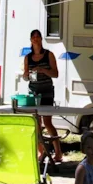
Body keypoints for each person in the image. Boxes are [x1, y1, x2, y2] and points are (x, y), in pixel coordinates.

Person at [25, 29, 63, 162]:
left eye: (38, 37)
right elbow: (26, 76)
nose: (35, 39)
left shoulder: (49, 55)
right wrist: (27, 75)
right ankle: (42, 152)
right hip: (34, 92)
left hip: (46, 91)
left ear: (41, 39)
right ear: (31, 40)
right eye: (33, 37)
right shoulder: (28, 57)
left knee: (47, 122)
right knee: (36, 123)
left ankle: (58, 152)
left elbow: (55, 74)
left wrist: (42, 70)